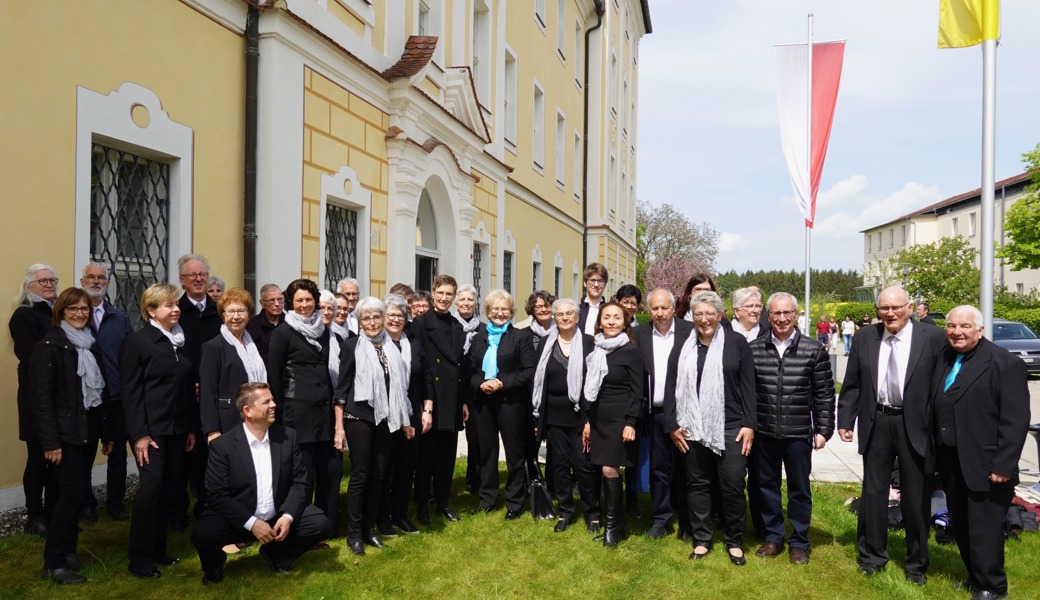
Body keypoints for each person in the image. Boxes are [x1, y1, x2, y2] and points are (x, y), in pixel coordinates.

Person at [837, 286, 946, 584]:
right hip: (878, 423)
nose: (890, 313)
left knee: (916, 495)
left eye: (896, 307)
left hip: (916, 426)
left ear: (910, 307)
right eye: (884, 308)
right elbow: (853, 384)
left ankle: (916, 564)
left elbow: (943, 385)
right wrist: (845, 419)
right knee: (873, 493)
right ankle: (872, 556)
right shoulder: (865, 337)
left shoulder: (933, 338)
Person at [191, 383, 334, 585]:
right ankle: (213, 568)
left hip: (276, 517)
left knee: (320, 523)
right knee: (203, 533)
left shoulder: (287, 437)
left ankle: (276, 555)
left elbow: (300, 482)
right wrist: (252, 523)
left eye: (273, 399)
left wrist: (288, 516)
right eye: (266, 401)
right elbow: (217, 494)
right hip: (238, 519)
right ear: (247, 411)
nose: (274, 404)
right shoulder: (222, 446)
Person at [933, 306, 1029, 600]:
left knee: (984, 528)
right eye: (951, 326)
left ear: (980, 330)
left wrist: (1003, 464)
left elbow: (1015, 420)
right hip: (952, 461)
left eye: (964, 326)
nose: (957, 331)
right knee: (960, 523)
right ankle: (975, 577)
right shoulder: (947, 358)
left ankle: (992, 586)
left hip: (988, 465)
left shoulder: (1004, 363)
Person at [664, 291, 756, 565]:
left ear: (720, 315)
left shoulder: (737, 343)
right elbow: (670, 386)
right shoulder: (683, 345)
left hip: (730, 427)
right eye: (698, 314)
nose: (704, 319)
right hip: (691, 426)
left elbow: (749, 387)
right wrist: (672, 424)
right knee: (698, 484)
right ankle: (702, 539)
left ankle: (734, 541)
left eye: (709, 313)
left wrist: (750, 424)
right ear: (693, 316)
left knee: (732, 486)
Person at [748, 293, 835, 565]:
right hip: (764, 431)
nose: (782, 318)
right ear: (768, 316)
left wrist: (823, 429)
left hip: (798, 433)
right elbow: (747, 393)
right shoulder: (754, 349)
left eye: (787, 313)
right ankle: (773, 537)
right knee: (766, 486)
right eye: (776, 313)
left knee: (799, 489)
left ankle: (799, 541)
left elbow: (824, 394)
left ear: (796, 314)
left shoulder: (813, 350)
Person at [31, 287, 109, 584]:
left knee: (75, 493)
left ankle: (67, 552)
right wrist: (50, 442)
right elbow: (41, 399)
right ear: (60, 312)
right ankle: (54, 563)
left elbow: (100, 392)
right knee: (72, 493)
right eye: (72, 309)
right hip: (63, 436)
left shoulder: (89, 344)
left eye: (84, 309)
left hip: (86, 430)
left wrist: (107, 433)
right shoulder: (49, 346)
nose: (79, 314)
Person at [120, 283, 198, 579]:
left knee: (169, 488)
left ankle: (158, 550)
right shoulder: (138, 342)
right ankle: (138, 557)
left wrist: (190, 428)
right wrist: (139, 434)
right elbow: (129, 392)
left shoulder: (179, 340)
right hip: (150, 432)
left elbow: (187, 390)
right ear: (151, 310)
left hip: (178, 429)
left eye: (176, 303)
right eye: (168, 305)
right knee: (151, 489)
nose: (175, 309)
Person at [335, 297, 415, 555]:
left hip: (387, 419)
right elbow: (342, 388)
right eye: (366, 318)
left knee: (380, 475)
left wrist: (404, 420)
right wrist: (338, 426)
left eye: (376, 317)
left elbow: (399, 387)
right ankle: (354, 534)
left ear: (383, 318)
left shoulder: (392, 346)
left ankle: (370, 529)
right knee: (361, 475)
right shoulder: (351, 346)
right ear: (359, 321)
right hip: (359, 418)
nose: (371, 322)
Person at [266, 279, 340, 534]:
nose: (305, 305)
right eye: (299, 300)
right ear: (291, 303)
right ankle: (302, 526)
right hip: (297, 414)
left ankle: (327, 525)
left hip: (324, 413)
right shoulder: (283, 333)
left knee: (331, 471)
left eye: (309, 300)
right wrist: (278, 413)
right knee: (303, 474)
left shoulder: (324, 329)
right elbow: (274, 377)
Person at [532, 298, 598, 533]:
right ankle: (565, 511)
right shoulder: (545, 343)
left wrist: (590, 419)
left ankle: (592, 513)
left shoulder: (590, 343)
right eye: (560, 314)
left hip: (582, 417)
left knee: (583, 466)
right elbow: (539, 380)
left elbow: (595, 382)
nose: (565, 318)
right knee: (558, 466)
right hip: (554, 417)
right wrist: (538, 418)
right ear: (554, 318)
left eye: (570, 313)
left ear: (578, 318)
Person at [468, 290, 536, 518]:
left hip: (511, 402)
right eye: (495, 309)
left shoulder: (521, 337)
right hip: (483, 403)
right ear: (487, 312)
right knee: (486, 451)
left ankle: (514, 503)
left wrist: (502, 383)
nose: (499, 313)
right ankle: (487, 498)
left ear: (512, 312)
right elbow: (470, 371)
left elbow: (529, 371)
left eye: (504, 309)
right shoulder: (479, 338)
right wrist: (481, 384)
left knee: (514, 453)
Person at [632, 289, 693, 540]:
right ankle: (661, 519)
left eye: (664, 308)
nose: (659, 313)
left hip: (686, 413)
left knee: (689, 470)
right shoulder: (638, 334)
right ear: (649, 310)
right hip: (654, 413)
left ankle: (689, 521)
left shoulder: (689, 331)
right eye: (654, 308)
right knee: (659, 469)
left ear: (672, 308)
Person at [582, 302, 643, 547]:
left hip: (620, 419)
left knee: (610, 469)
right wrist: (587, 420)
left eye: (617, 317)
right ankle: (618, 526)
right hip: (599, 418)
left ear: (625, 322)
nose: (611, 321)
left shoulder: (631, 351)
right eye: (606, 317)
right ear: (599, 321)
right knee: (603, 470)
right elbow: (590, 389)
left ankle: (611, 531)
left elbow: (638, 392)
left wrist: (631, 422)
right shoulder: (596, 349)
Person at [410, 275, 467, 525]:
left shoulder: (456, 326)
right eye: (440, 293)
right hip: (430, 397)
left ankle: (443, 503)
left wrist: (463, 401)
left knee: (446, 457)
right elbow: (420, 364)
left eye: (449, 294)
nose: (444, 298)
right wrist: (425, 403)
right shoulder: (421, 324)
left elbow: (460, 368)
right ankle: (423, 504)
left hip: (451, 399)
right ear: (433, 293)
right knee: (426, 458)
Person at [9, 263, 59, 536]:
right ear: (29, 286)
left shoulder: (58, 313)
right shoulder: (24, 315)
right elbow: (31, 357)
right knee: (38, 457)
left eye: (53, 280)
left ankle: (53, 513)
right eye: (43, 281)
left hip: (61, 397)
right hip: (36, 396)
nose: (50, 284)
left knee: (56, 460)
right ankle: (35, 516)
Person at [80, 263, 134, 522]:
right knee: (85, 453)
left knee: (117, 454)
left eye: (101, 277)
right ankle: (87, 504)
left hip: (115, 397)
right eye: (91, 277)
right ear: (82, 281)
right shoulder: (74, 315)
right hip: (86, 399)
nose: (96, 281)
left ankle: (115, 503)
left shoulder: (118, 317)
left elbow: (130, 355)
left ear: (108, 283)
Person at [377, 295, 433, 536]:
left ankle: (401, 515)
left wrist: (427, 409)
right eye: (391, 315)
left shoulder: (414, 344)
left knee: (406, 467)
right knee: (384, 468)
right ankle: (382, 518)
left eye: (400, 315)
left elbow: (426, 377)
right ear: (382, 318)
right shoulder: (374, 344)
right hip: (385, 416)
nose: (396, 319)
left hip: (411, 414)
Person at [174, 254, 222, 529]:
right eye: (192, 275)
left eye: (202, 274)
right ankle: (177, 512)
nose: (198, 279)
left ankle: (206, 507)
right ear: (182, 280)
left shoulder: (219, 311)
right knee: (182, 456)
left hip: (213, 393)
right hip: (182, 393)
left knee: (208, 454)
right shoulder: (176, 310)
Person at [199, 288, 268, 444]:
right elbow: (207, 392)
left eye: (241, 311)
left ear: (249, 314)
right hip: (228, 423)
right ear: (223, 315)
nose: (236, 317)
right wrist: (212, 430)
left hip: (256, 419)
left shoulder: (253, 345)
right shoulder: (214, 347)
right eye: (230, 312)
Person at [454, 284, 482, 496]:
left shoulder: (483, 329)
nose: (466, 303)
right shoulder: (450, 325)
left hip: (473, 389)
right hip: (452, 388)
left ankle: (475, 480)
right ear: (456, 302)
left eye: (469, 300)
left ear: (475, 303)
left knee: (476, 437)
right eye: (462, 299)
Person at [245, 283, 285, 361]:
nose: (277, 304)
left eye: (280, 299)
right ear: (262, 303)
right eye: (272, 300)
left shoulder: (289, 323)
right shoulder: (252, 325)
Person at [577, 263, 609, 336]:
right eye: (592, 280)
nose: (596, 285)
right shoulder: (576, 311)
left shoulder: (609, 311)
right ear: (585, 283)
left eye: (600, 281)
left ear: (605, 284)